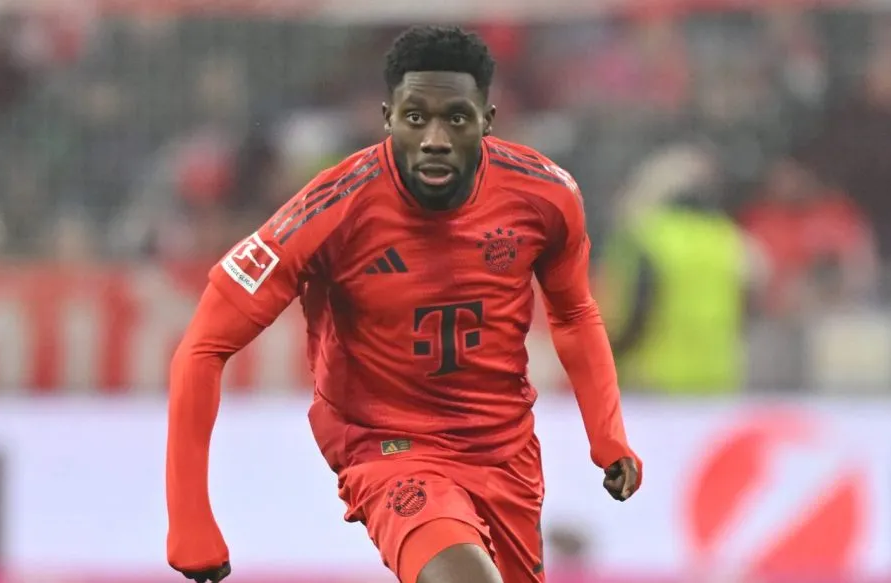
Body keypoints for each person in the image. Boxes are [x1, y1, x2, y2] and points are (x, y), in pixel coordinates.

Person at [165, 25, 642, 583]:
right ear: (388, 117)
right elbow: (203, 347)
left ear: (487, 120)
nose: (435, 138)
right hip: (388, 448)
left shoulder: (546, 195)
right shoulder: (328, 212)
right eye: (416, 117)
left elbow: (574, 312)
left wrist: (609, 437)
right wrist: (189, 521)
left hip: (506, 452)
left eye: (456, 118)